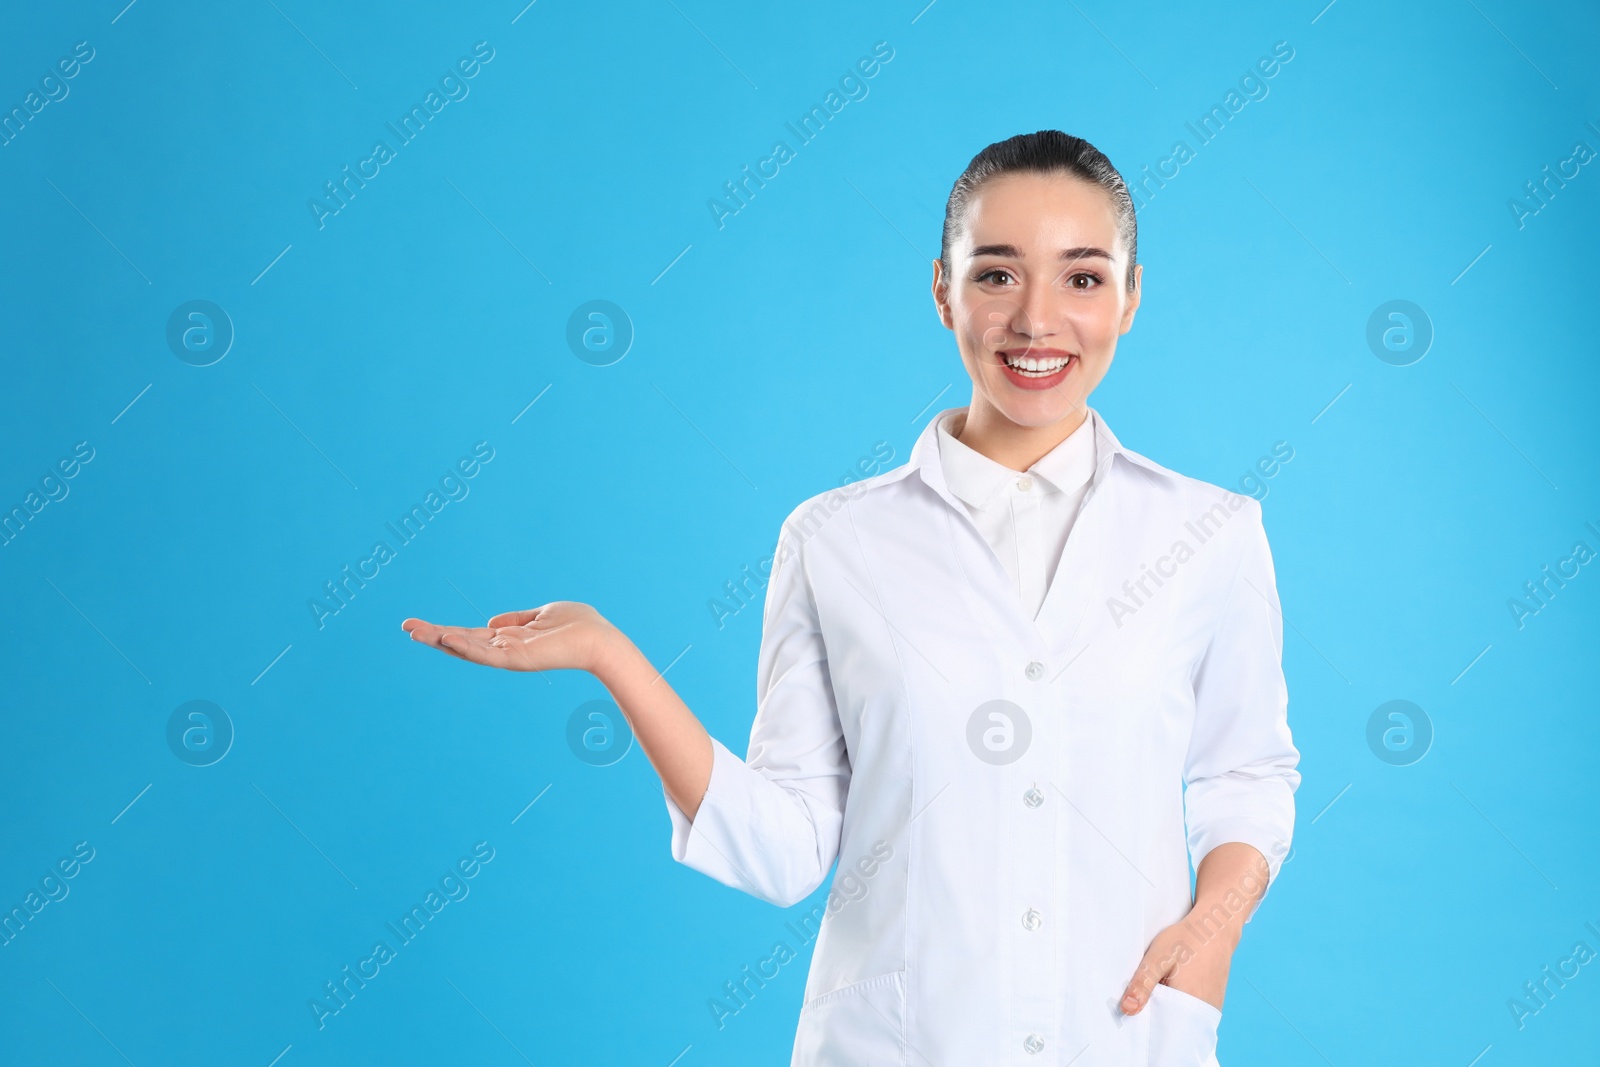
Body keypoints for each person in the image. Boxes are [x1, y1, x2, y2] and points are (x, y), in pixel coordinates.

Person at [402, 130, 1300, 1066]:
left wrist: (1213, 934)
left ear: (1131, 295)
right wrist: (612, 657)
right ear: (943, 289)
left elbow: (1248, 777)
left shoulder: (1211, 534)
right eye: (996, 275)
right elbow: (783, 848)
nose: (1037, 320)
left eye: (1081, 278)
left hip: (1127, 1040)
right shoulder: (833, 541)